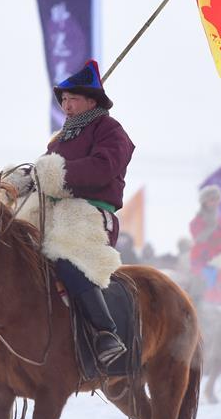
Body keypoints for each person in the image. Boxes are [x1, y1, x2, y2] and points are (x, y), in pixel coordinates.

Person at [11, 60, 135, 369]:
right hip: (55, 213)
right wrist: (22, 180)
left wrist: (55, 172)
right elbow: (43, 172)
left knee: (67, 257)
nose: (66, 105)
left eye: (73, 99)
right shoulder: (59, 140)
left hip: (91, 213)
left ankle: (106, 333)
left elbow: (104, 168)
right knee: (15, 251)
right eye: (64, 100)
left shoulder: (111, 131)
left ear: (92, 100)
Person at [189, 184, 221, 301]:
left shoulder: (219, 220)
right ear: (204, 202)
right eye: (212, 200)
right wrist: (211, 227)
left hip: (219, 259)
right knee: (205, 279)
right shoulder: (197, 221)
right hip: (201, 259)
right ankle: (200, 304)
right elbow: (198, 238)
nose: (215, 202)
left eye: (217, 200)